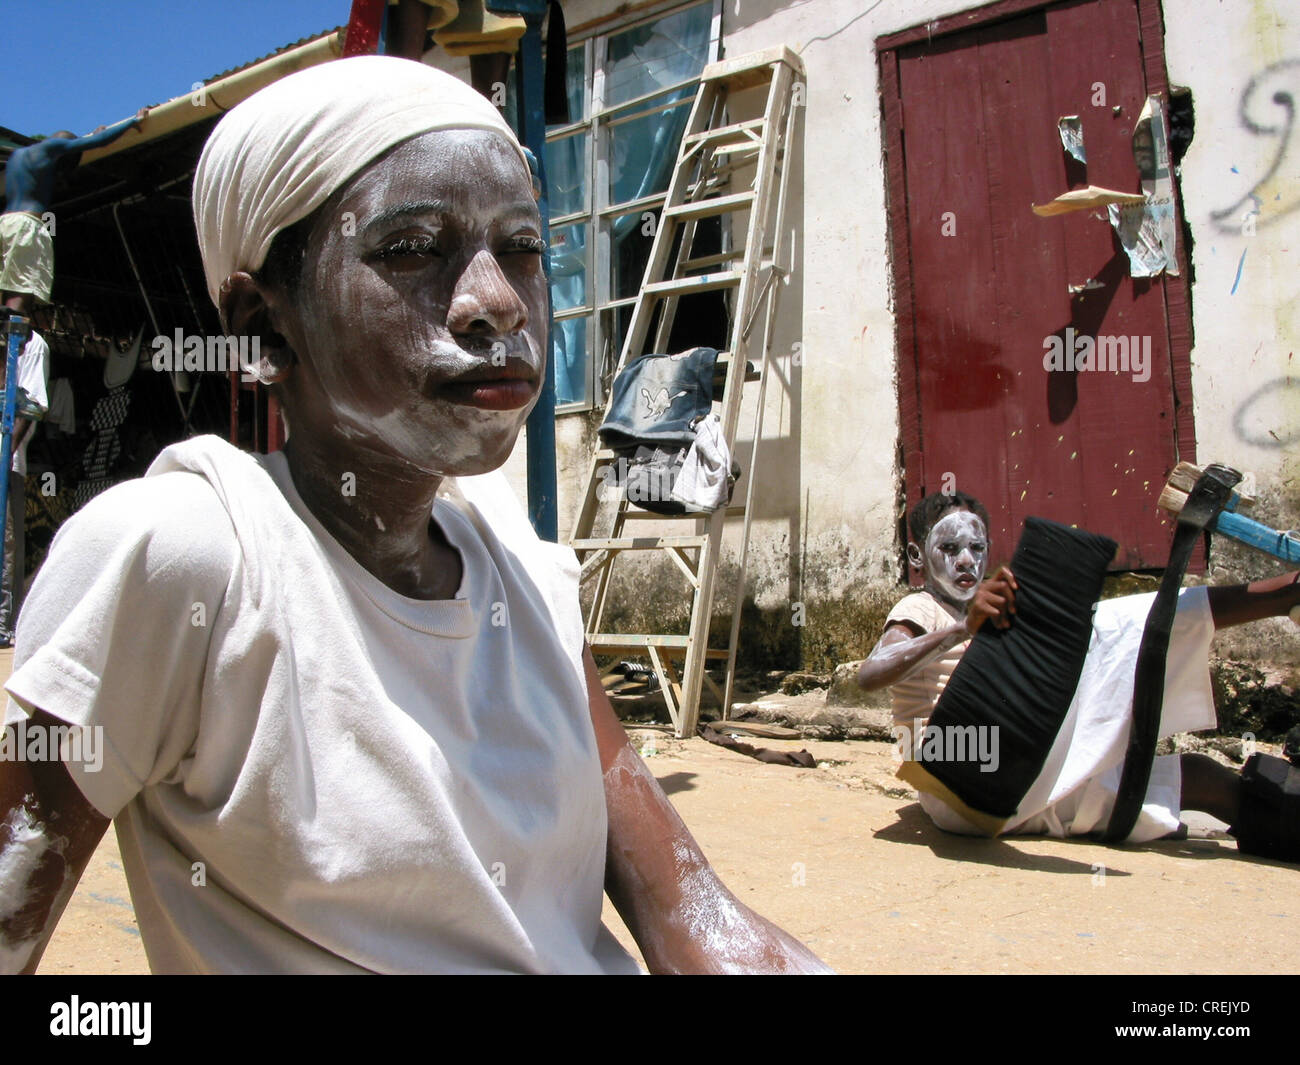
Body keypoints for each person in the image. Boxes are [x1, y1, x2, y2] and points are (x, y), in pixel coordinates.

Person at [0, 56, 830, 975]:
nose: (498, 303)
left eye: (520, 247)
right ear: (260, 327)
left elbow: (696, 922)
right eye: (410, 249)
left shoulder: (526, 572)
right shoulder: (188, 560)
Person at [858, 489, 1300, 852]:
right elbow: (870, 674)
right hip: (952, 772)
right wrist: (960, 628)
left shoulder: (997, 604)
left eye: (976, 548)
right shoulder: (919, 607)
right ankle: (1284, 594)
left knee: (1202, 778)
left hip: (1012, 771)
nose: (966, 562)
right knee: (1109, 624)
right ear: (918, 556)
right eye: (950, 548)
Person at [1, 117, 141, 315]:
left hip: (4, 222)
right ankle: (12, 340)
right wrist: (133, 121)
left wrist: (93, 134)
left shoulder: (17, 155)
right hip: (26, 225)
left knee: (3, 286)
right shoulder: (52, 147)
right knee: (21, 290)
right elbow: (99, 142)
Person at [0, 325, 50, 647]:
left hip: (7, 463)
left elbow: (33, 405)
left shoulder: (31, 343)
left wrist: (5, 457)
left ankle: (4, 624)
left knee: (5, 546)